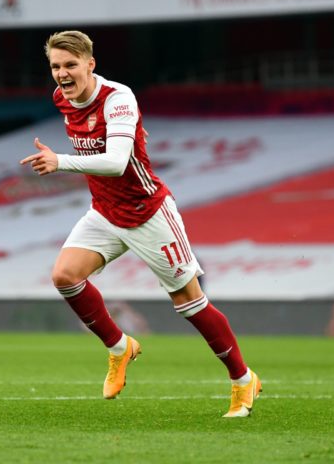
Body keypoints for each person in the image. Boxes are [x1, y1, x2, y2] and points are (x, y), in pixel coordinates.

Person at [20, 30, 260, 417]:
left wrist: (61, 161)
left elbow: (116, 161)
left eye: (70, 65)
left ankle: (243, 379)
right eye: (55, 66)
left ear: (90, 64)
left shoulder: (118, 98)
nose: (62, 74)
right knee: (65, 276)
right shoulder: (61, 99)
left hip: (147, 212)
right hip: (104, 210)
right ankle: (120, 348)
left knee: (190, 304)